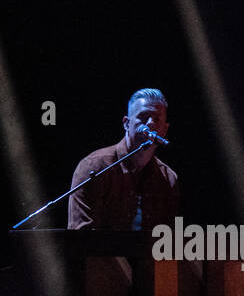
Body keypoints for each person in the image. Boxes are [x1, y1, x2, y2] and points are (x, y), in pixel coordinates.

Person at [67, 88, 179, 230]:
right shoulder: (95, 166)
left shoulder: (168, 178)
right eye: (143, 117)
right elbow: (83, 238)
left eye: (157, 119)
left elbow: (166, 240)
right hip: (101, 252)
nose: (150, 123)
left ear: (165, 129)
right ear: (126, 123)